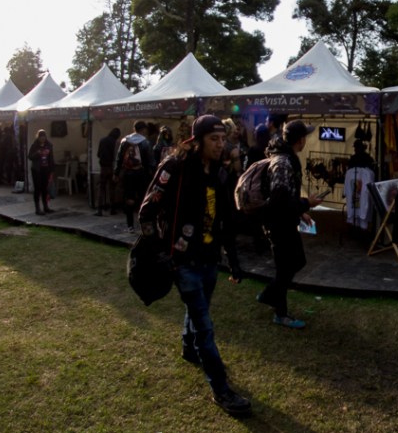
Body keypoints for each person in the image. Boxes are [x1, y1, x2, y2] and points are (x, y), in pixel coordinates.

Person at [138, 115, 251, 417]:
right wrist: (160, 252)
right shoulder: (174, 167)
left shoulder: (220, 173)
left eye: (222, 139)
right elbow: (147, 211)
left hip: (209, 260)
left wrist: (233, 260)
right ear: (197, 140)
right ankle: (221, 389)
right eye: (214, 139)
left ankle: (188, 347)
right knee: (205, 327)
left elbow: (225, 220)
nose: (220, 144)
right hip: (182, 262)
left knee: (199, 310)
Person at [257, 119, 323, 328]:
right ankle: (280, 313)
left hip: (283, 221)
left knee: (293, 263)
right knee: (286, 267)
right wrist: (306, 203)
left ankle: (270, 295)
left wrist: (301, 211)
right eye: (305, 137)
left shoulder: (285, 158)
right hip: (278, 225)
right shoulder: (283, 163)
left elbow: (286, 196)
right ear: (300, 140)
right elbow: (279, 200)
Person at [115, 120, 156, 233]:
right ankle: (144, 224)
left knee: (129, 199)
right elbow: (150, 161)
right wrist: (152, 174)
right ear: (144, 130)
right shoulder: (145, 142)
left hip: (128, 173)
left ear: (134, 129)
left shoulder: (125, 140)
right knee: (143, 198)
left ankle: (130, 225)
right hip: (141, 173)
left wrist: (116, 173)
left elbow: (119, 158)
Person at [27, 129, 55, 215]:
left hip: (45, 169)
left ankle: (45, 206)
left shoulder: (49, 145)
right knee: (37, 188)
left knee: (44, 188)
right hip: (37, 169)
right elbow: (30, 156)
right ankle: (37, 208)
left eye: (44, 137)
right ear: (38, 137)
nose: (42, 138)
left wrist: (52, 170)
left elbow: (51, 158)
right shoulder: (34, 145)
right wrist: (37, 153)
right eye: (41, 137)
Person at [96, 127, 121, 216]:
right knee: (112, 188)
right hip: (112, 167)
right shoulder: (116, 142)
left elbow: (98, 154)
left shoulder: (102, 140)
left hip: (103, 167)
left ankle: (99, 209)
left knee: (101, 188)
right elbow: (117, 157)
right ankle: (112, 209)